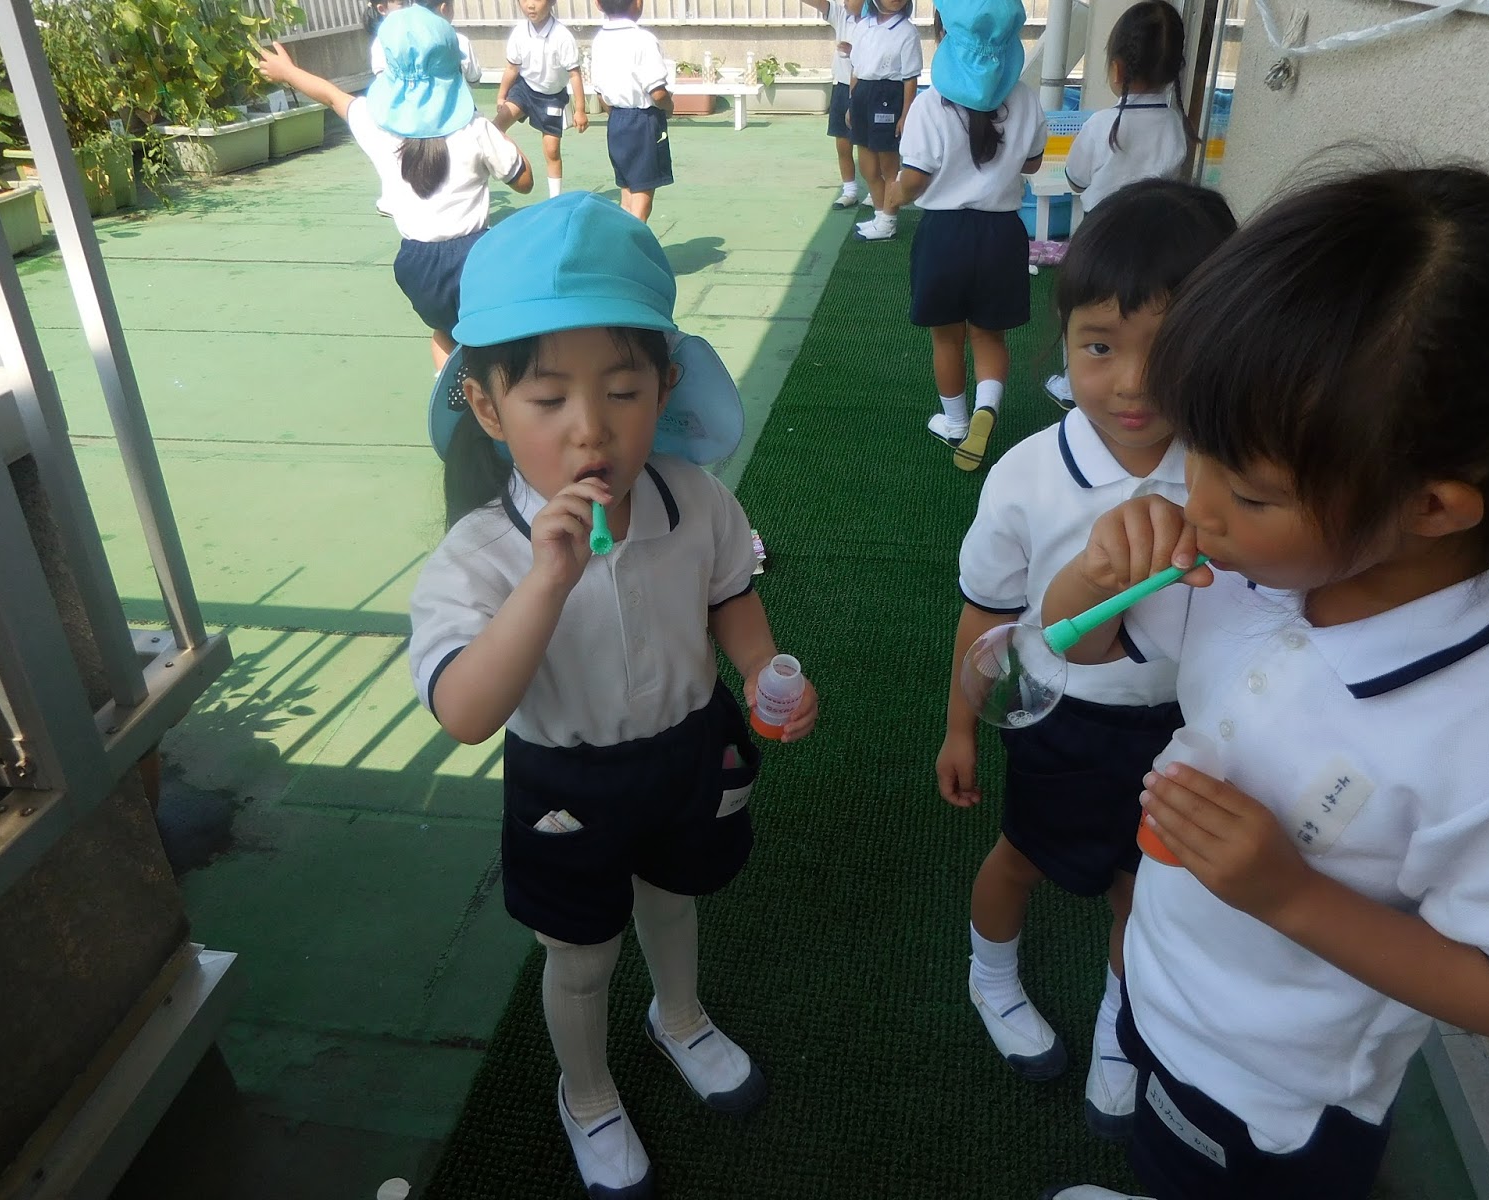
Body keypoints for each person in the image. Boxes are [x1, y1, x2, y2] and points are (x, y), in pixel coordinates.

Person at [1038, 164, 1489, 1200]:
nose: (1195, 502)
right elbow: (1070, 641)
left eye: (1246, 488)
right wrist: (1098, 573)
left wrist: (1287, 893)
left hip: (1276, 1096)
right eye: (1197, 453)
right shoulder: (1254, 569)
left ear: (1430, 509)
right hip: (1163, 984)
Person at [408, 193, 820, 1198]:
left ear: (667, 385)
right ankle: (585, 1089)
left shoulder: (695, 498)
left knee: (674, 902)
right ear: (485, 404)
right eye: (547, 400)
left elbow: (731, 598)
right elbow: (464, 713)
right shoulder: (480, 557)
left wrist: (769, 678)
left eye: (623, 390)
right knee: (580, 952)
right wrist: (546, 580)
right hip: (565, 780)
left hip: (687, 748)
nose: (591, 430)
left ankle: (677, 1017)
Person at [937, 179, 1235, 1141]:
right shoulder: (1028, 475)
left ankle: (1119, 1021)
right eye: (1101, 345)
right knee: (1020, 856)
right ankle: (991, 978)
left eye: (1174, 347)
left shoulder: (1244, 476)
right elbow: (984, 612)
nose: (1135, 382)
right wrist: (957, 726)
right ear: (1062, 343)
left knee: (1141, 888)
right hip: (1064, 720)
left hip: (1194, 733)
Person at [259, 7, 533, 372]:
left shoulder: (375, 124)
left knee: (442, 331)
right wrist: (500, 129)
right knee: (491, 330)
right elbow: (524, 182)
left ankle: (448, 387)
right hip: (476, 258)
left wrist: (288, 72)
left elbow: (330, 96)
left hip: (417, 266)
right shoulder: (475, 130)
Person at [871, 0, 1047, 471]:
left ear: (943, 37)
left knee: (946, 340)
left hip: (944, 235)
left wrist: (893, 197)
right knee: (989, 336)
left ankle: (954, 421)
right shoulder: (1026, 98)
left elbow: (915, 178)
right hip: (1002, 233)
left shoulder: (930, 104)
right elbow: (1032, 163)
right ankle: (987, 408)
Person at [1065, 0, 1192, 215]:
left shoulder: (1100, 124)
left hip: (1101, 232)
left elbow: (1076, 180)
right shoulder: (1175, 123)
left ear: (1117, 70)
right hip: (1157, 231)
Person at [590, 0, 675, 222]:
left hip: (616, 119)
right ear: (637, 3)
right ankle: (634, 252)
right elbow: (657, 92)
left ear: (598, 4)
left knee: (627, 191)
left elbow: (599, 91)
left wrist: (615, 113)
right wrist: (669, 107)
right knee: (642, 196)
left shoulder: (599, 40)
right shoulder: (643, 40)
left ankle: (622, 248)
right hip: (643, 120)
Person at [496, 0, 589, 200]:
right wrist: (502, 95)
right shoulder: (519, 32)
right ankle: (514, 164)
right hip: (524, 89)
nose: (530, 5)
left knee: (552, 150)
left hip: (552, 96)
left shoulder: (562, 36)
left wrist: (580, 110)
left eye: (537, 0)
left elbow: (574, 74)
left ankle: (554, 200)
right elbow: (512, 68)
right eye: (525, 0)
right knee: (494, 129)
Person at [845, 0, 922, 225]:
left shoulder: (907, 31)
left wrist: (905, 114)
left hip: (888, 95)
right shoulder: (862, 27)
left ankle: (889, 220)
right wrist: (852, 104)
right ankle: (880, 214)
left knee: (889, 165)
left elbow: (910, 79)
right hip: (862, 93)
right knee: (868, 166)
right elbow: (855, 70)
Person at [800, 0, 865, 208]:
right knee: (842, 143)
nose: (845, 1)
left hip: (869, 86)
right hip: (843, 86)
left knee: (870, 144)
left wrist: (853, 50)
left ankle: (876, 190)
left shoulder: (878, 21)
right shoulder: (840, 13)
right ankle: (850, 190)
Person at [371, 0, 482, 83]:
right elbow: (474, 79)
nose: (408, 8)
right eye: (402, 4)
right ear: (444, 8)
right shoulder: (458, 40)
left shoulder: (385, 42)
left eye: (408, 3)